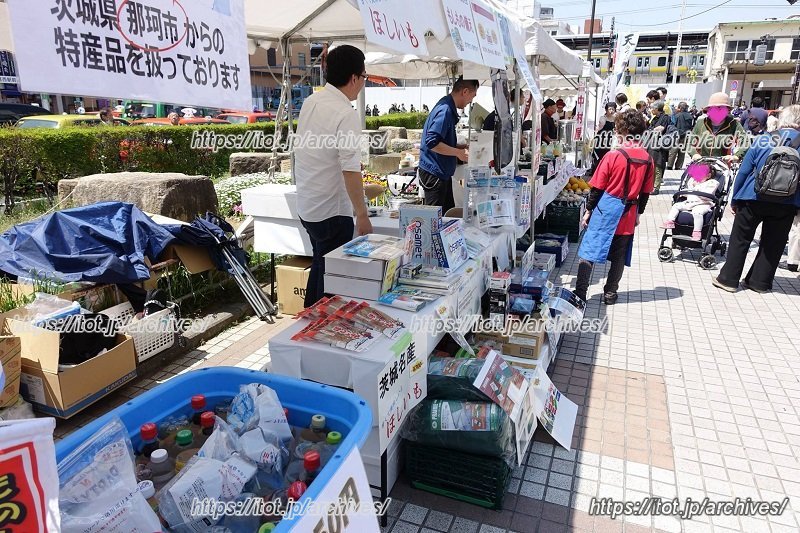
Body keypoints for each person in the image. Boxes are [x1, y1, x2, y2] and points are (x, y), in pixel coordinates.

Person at [294, 44, 372, 307]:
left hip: (308, 205)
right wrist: (362, 215)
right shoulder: (345, 113)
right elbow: (350, 169)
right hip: (332, 211)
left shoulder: (311, 101)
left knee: (320, 264)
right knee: (332, 279)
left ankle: (308, 317)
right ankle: (320, 324)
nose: (363, 82)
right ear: (354, 78)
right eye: (364, 76)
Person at [712, 105, 800, 293]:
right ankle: (759, 283)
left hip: (752, 196)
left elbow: (744, 171)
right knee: (773, 243)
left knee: (741, 239)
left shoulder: (764, 139)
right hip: (787, 201)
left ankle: (728, 280)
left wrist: (735, 198)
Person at [574, 110, 655, 305]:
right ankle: (610, 293)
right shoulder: (648, 159)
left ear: (622, 131)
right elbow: (646, 192)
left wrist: (588, 210)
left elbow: (597, 187)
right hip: (629, 212)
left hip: (606, 209)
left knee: (589, 250)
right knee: (619, 255)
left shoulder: (613, 155)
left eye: (617, 129)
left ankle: (580, 293)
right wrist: (639, 214)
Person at [418, 77, 477, 213]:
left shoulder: (447, 106)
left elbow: (441, 140)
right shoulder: (445, 110)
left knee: (447, 215)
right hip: (434, 172)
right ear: (465, 92)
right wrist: (458, 153)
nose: (471, 101)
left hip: (441, 172)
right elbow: (431, 142)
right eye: (472, 96)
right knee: (434, 218)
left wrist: (460, 148)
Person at [660, 162, 719, 240]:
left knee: (697, 212)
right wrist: (684, 193)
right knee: (676, 206)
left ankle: (697, 231)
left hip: (703, 203)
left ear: (708, 176)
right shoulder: (692, 180)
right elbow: (689, 191)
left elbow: (707, 194)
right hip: (690, 202)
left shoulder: (712, 183)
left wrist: (697, 187)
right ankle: (670, 221)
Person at [686, 92, 748, 163]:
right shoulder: (701, 123)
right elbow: (689, 143)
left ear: (727, 110)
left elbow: (745, 142)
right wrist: (694, 154)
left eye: (721, 109)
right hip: (701, 163)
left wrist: (736, 156)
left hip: (722, 164)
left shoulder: (733, 123)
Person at [646, 100, 672, 194]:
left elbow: (659, 130)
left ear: (657, 109)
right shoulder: (655, 118)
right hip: (652, 144)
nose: (651, 110)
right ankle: (651, 186)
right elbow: (651, 129)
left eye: (652, 108)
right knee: (652, 166)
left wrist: (652, 130)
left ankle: (656, 188)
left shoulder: (665, 118)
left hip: (659, 146)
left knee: (658, 166)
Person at [668, 102, 695, 170]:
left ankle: (669, 165)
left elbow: (672, 124)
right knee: (682, 152)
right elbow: (692, 126)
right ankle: (678, 166)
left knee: (673, 151)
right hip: (686, 135)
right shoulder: (690, 116)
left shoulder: (677, 115)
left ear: (680, 108)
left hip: (677, 134)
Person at [592, 102, 617, 172]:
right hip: (601, 140)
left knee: (607, 157)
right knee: (599, 157)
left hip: (609, 140)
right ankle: (597, 171)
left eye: (613, 109)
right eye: (610, 109)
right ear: (606, 110)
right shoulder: (603, 118)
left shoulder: (615, 119)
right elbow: (600, 127)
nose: (611, 111)